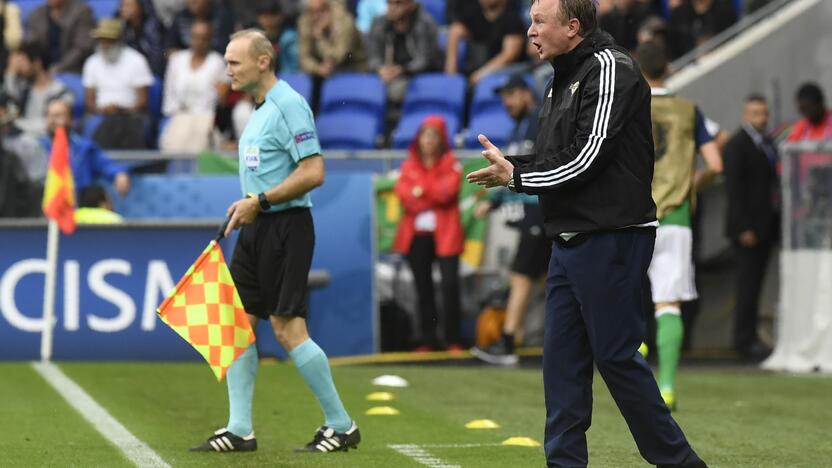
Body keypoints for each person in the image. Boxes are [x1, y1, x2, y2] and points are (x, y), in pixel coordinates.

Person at [466, 1, 707, 466]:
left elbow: (587, 157)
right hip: (570, 238)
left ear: (572, 27)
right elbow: (557, 154)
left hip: (612, 235)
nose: (530, 31)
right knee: (561, 365)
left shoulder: (610, 67)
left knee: (616, 358)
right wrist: (515, 168)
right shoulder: (561, 74)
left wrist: (517, 178)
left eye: (540, 21)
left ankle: (682, 464)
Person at [190, 29, 360, 453]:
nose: (227, 69)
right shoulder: (258, 108)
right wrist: (252, 207)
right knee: (238, 325)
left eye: (234, 62)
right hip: (258, 227)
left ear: (263, 61)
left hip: (285, 227)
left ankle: (341, 425)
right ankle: (239, 429)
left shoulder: (288, 105)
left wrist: (260, 201)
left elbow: (314, 172)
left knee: (287, 330)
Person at [635, 41, 722, 410]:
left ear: (637, 69)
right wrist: (690, 185)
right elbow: (716, 165)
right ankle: (666, 386)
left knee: (627, 295)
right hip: (675, 217)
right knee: (667, 303)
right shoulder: (689, 111)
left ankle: (630, 360)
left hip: (631, 214)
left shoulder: (628, 104)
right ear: (668, 67)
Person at [471, 74, 550, 366]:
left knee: (522, 277)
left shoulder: (540, 120)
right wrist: (493, 203)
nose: (506, 102)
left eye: (511, 94)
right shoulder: (518, 127)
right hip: (531, 213)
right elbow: (513, 172)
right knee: (541, 279)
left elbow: (537, 167)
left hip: (540, 211)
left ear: (526, 94)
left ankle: (507, 343)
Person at [393, 115, 464, 352]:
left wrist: (420, 190)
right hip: (418, 236)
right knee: (423, 289)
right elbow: (404, 197)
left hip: (446, 235)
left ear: (442, 139)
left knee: (450, 286)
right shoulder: (409, 164)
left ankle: (452, 339)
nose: (428, 141)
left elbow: (447, 193)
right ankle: (427, 339)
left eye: (434, 136)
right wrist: (425, 193)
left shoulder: (451, 163)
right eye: (425, 135)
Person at [723, 94, 778, 361]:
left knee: (755, 286)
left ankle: (749, 337)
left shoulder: (766, 144)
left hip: (765, 227)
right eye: (756, 113)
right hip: (748, 229)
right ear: (746, 115)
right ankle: (743, 340)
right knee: (746, 286)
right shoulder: (737, 145)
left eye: (764, 113)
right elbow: (733, 191)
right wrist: (743, 226)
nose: (761, 118)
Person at [83, 18, 155, 150]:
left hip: (131, 113)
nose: (104, 44)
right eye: (101, 40)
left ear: (118, 41)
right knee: (107, 123)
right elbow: (89, 101)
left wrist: (121, 110)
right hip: (101, 113)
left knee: (122, 123)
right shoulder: (91, 62)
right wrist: (103, 110)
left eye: (108, 40)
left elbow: (143, 100)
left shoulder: (136, 60)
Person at [160, 19, 229, 152]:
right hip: (179, 114)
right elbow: (169, 94)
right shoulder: (177, 60)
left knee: (199, 145)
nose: (199, 41)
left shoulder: (218, 62)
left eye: (204, 38)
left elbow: (222, 100)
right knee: (173, 145)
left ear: (210, 40)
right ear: (190, 37)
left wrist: (220, 93)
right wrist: (173, 116)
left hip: (206, 116)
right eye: (196, 37)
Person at [40, 99, 131, 198]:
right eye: (50, 116)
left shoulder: (83, 148)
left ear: (70, 120)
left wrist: (119, 174)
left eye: (58, 116)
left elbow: (106, 164)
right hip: (44, 206)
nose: (53, 121)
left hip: (78, 205)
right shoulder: (38, 147)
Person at [367, 0, 440, 117]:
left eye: (398, 3)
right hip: (388, 75)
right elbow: (373, 56)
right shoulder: (379, 22)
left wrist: (402, 70)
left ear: (410, 5)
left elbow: (425, 60)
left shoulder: (424, 23)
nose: (392, 8)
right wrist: (380, 69)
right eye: (389, 3)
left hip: (417, 75)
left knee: (397, 90)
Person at [444, 0, 525, 85]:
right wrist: (451, 73)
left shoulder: (513, 19)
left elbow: (509, 54)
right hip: (476, 69)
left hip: (504, 72)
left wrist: (481, 74)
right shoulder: (473, 14)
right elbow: (455, 31)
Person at [4, 42, 74, 136]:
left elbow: (54, 124)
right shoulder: (25, 88)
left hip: (46, 142)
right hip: (23, 140)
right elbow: (10, 96)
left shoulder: (61, 92)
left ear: (37, 64)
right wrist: (11, 71)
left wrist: (18, 124)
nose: (20, 67)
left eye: (23, 62)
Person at [298, 0, 368, 80]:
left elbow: (338, 57)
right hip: (322, 71)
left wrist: (320, 39)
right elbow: (304, 58)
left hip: (354, 69)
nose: (315, 17)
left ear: (328, 10)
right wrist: (317, 68)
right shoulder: (305, 22)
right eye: (311, 12)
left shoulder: (346, 22)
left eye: (319, 12)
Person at [25, 0, 96, 74]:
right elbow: (32, 44)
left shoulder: (82, 11)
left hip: (74, 70)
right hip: (43, 72)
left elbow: (82, 47)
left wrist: (59, 68)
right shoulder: (36, 14)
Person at [165, 0, 235, 55]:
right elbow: (170, 49)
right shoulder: (180, 17)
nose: (193, 1)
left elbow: (225, 50)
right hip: (184, 66)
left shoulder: (222, 17)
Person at [118, 0, 166, 76]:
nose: (123, 9)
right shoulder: (123, 27)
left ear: (140, 8)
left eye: (128, 6)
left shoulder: (153, 27)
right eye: (122, 5)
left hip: (152, 73)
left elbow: (157, 58)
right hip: (131, 73)